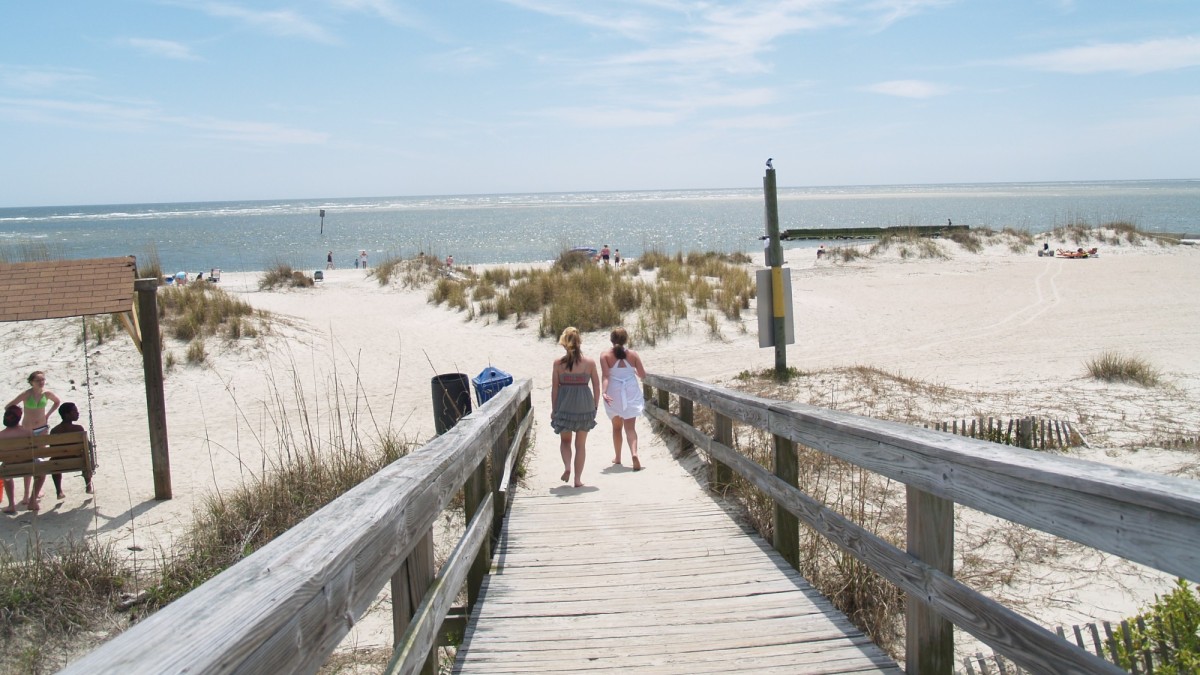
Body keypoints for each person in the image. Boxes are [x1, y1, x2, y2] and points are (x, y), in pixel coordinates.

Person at [550, 327, 600, 487]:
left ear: (564, 344)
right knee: (580, 445)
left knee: (565, 441)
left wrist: (554, 409)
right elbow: (597, 387)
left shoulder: (558, 363)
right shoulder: (590, 363)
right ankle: (578, 480)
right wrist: (595, 407)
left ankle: (567, 466)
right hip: (584, 405)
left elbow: (555, 388)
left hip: (565, 405)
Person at [6, 371, 60, 506]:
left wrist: (47, 415)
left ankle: (36, 492)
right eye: (38, 380)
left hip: (41, 429)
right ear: (31, 382)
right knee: (28, 459)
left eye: (43, 380)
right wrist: (16, 421)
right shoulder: (26, 394)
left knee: (39, 458)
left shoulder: (46, 394)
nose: (41, 382)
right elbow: (9, 406)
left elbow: (57, 402)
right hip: (27, 429)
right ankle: (25, 495)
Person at [600, 328, 647, 470]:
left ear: (611, 340)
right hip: (630, 389)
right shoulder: (633, 355)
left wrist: (604, 392)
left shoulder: (605, 355)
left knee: (616, 427)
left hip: (614, 390)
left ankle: (618, 457)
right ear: (626, 339)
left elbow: (606, 376)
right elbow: (643, 375)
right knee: (630, 427)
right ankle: (634, 453)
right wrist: (632, 372)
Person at [51, 402, 91, 496]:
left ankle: (59, 491)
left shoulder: (54, 431)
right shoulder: (78, 429)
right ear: (67, 414)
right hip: (78, 461)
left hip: (59, 463)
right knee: (86, 457)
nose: (78, 413)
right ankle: (88, 486)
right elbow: (88, 446)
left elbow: (52, 450)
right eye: (74, 411)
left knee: (53, 460)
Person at [0, 405, 31, 513]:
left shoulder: (1, 435)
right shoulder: (27, 433)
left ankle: (11, 504)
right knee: (30, 462)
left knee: (6, 473)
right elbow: (35, 450)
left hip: (9, 467)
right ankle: (27, 496)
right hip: (27, 465)